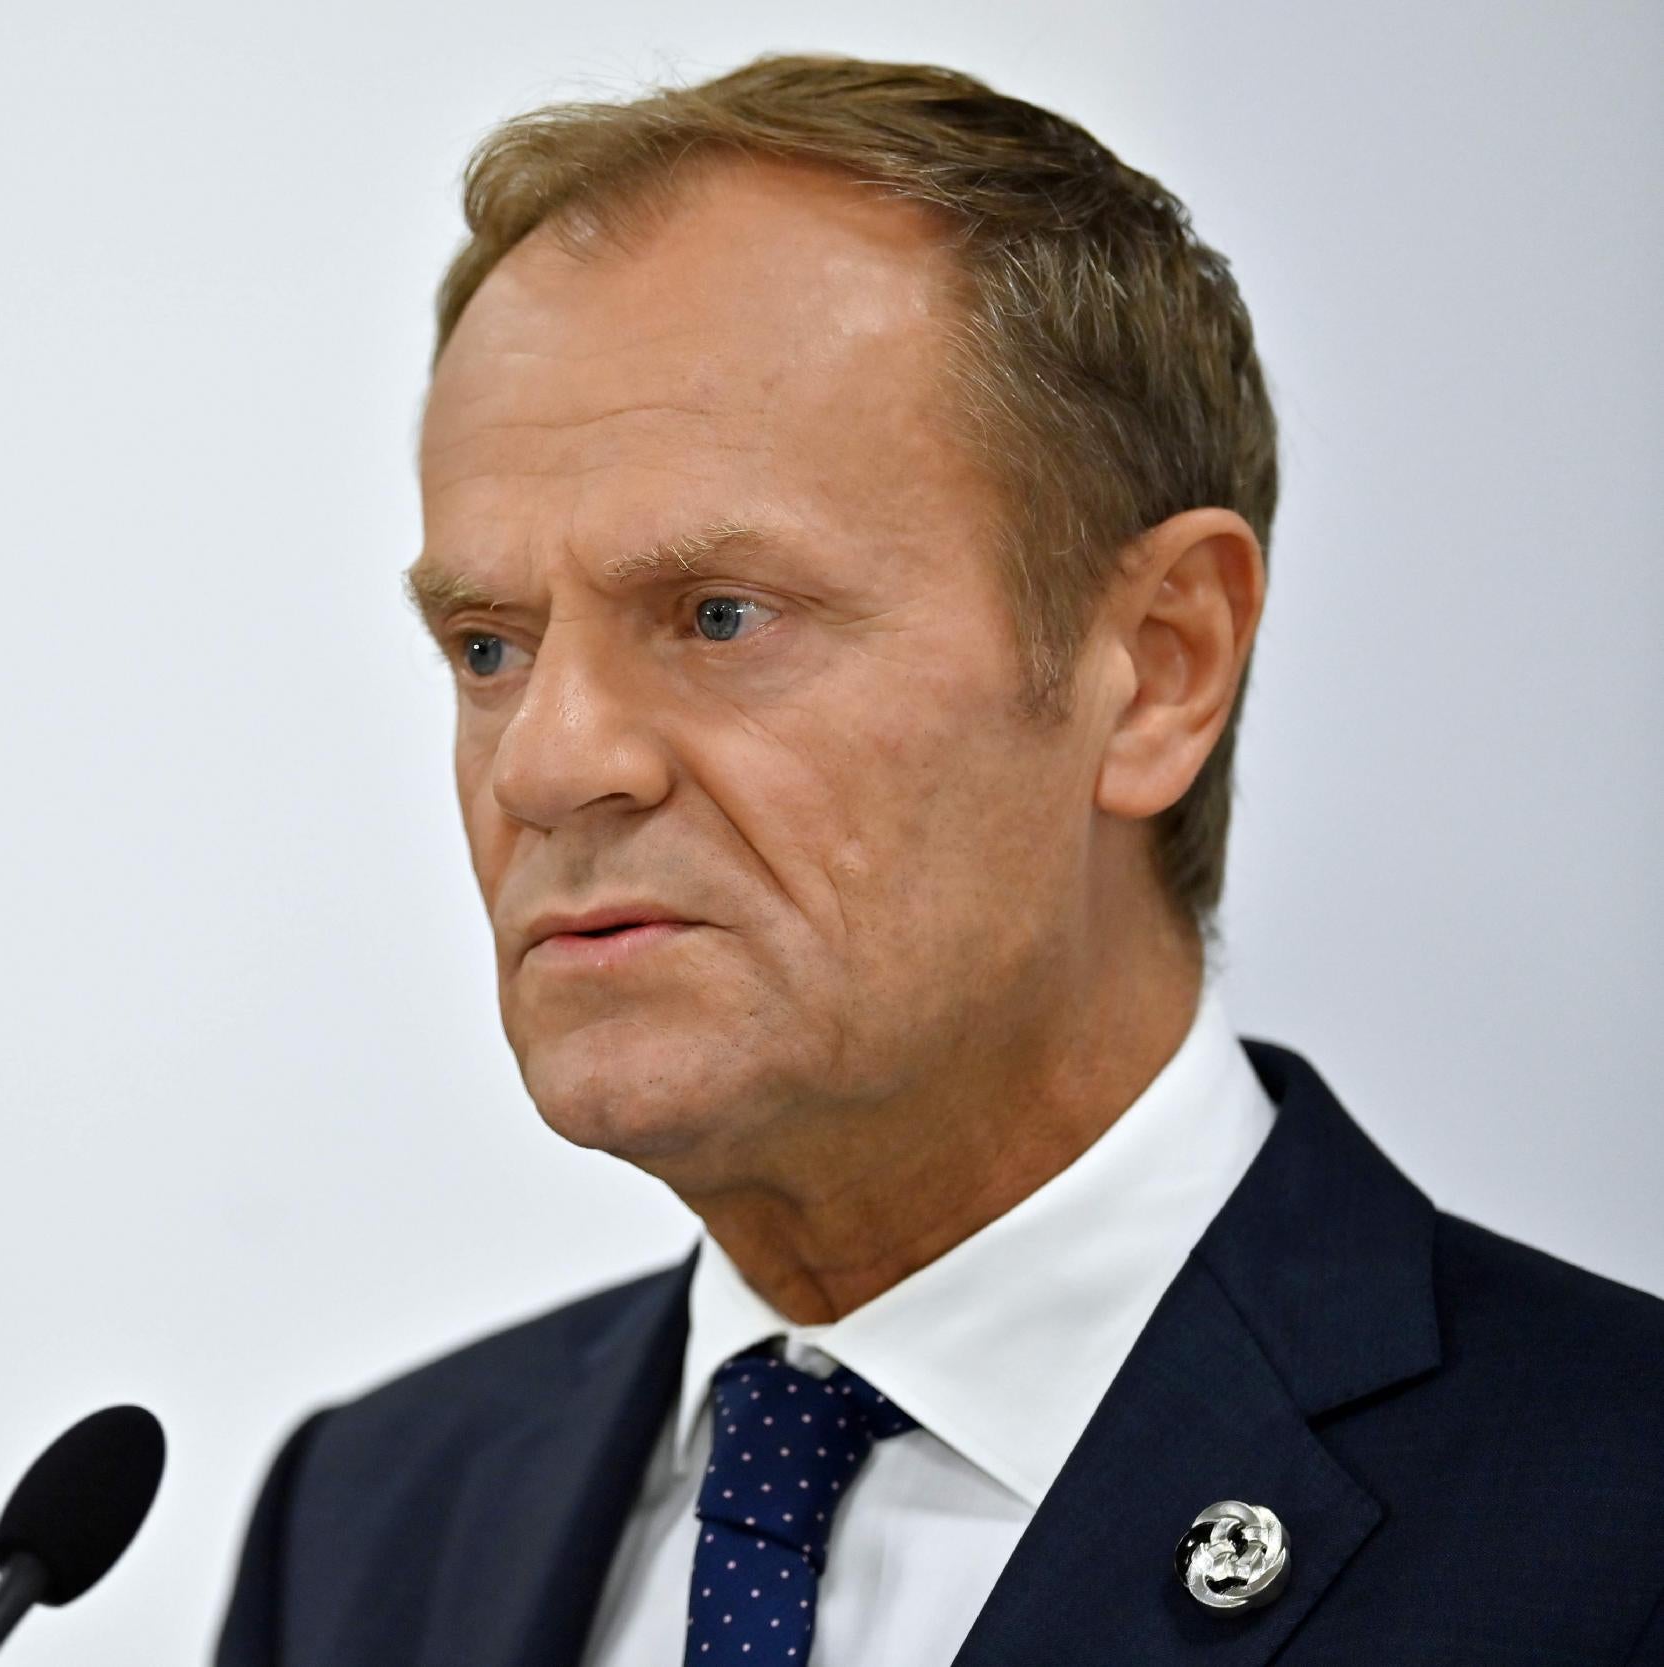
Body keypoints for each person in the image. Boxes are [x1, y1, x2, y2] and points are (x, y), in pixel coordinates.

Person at [212, 53, 1664, 1667]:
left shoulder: (1618, 1518)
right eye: (488, 647)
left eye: (718, 617)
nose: (549, 764)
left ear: (1158, 665)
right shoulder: (367, 1521)